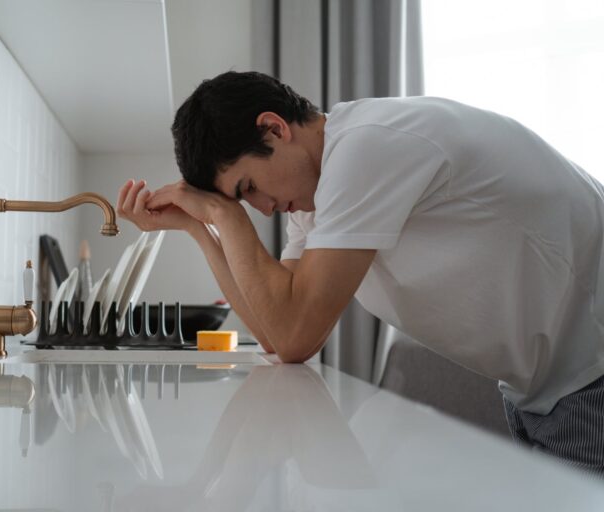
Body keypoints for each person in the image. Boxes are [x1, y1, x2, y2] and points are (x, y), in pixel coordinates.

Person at [116, 70, 604, 472]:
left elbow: (295, 335)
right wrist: (201, 230)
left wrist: (224, 214)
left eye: (248, 188)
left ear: (274, 128)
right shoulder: (317, 198)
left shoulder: (364, 149)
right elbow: (271, 332)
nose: (263, 210)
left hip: (591, 377)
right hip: (542, 391)